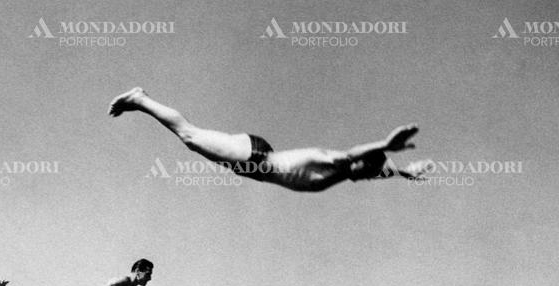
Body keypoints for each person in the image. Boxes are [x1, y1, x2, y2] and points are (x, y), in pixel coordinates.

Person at [108, 87, 427, 192]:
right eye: (367, 173)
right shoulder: (337, 161)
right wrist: (386, 144)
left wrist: (403, 172)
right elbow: (354, 154)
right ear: (361, 164)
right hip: (255, 158)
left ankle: (141, 100)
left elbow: (373, 169)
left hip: (254, 164)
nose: (366, 179)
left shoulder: (346, 173)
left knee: (191, 137)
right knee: (190, 135)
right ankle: (140, 99)